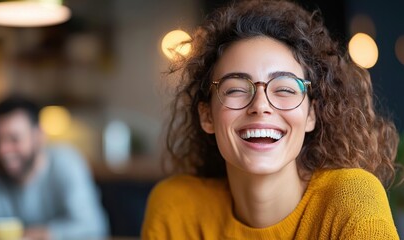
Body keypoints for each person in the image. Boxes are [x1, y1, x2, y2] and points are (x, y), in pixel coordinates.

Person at [142, 0, 400, 239]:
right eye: (236, 89)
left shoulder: (351, 199)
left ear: (311, 114)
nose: (261, 106)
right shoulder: (175, 209)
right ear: (207, 115)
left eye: (285, 89)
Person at [0, 96, 108, 240]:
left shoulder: (66, 164)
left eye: (14, 139)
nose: (3, 150)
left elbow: (93, 226)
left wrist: (37, 234)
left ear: (39, 136)